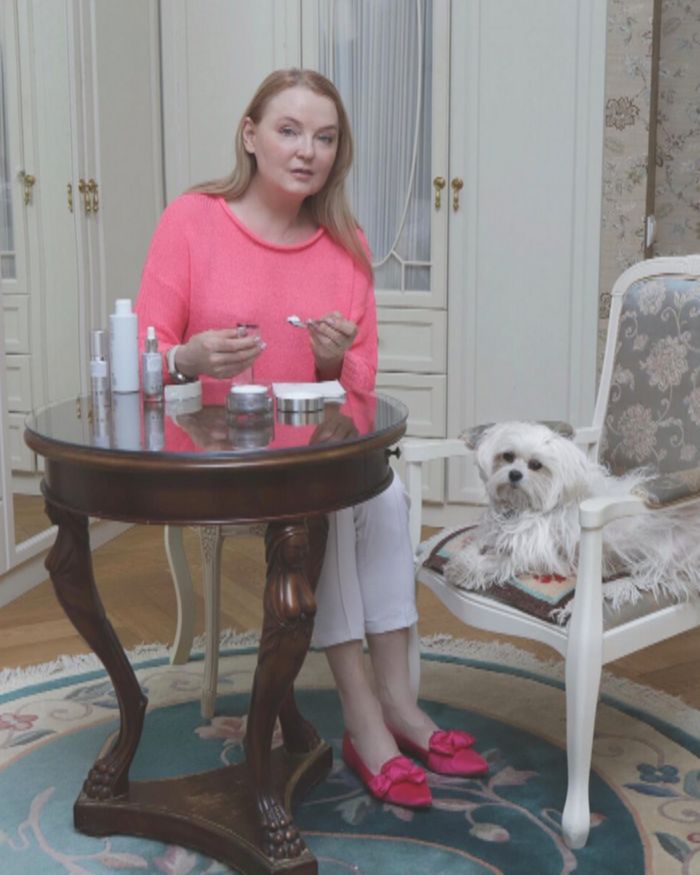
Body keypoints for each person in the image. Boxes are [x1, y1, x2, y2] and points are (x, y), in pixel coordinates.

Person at [135, 68, 487, 808]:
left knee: (379, 496)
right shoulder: (192, 220)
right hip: (221, 464)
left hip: (311, 462)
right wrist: (189, 358)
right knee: (331, 503)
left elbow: (358, 385)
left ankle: (399, 705)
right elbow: (145, 356)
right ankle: (365, 717)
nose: (307, 151)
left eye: (325, 138)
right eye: (289, 131)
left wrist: (329, 359)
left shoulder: (345, 243)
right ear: (250, 135)